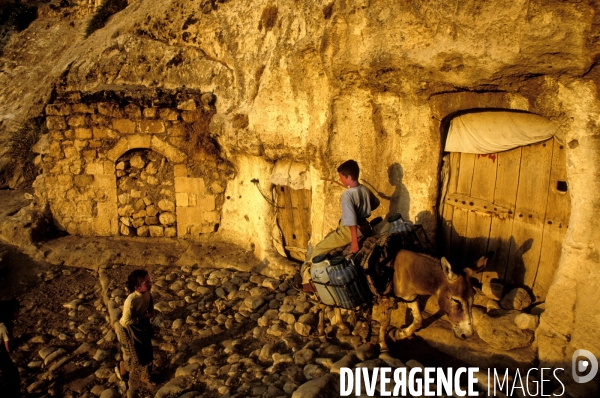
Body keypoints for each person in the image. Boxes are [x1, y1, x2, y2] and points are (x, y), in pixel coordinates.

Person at [301, 159, 380, 285]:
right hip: (365, 226)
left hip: (349, 231)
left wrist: (354, 242)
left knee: (319, 248)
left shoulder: (347, 195)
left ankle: (308, 282)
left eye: (341, 177)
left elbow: (351, 220)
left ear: (348, 177)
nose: (339, 179)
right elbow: (376, 203)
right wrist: (363, 209)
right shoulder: (364, 189)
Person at [114, 269, 156, 386]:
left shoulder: (146, 292)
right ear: (137, 287)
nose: (150, 283)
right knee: (134, 355)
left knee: (147, 351)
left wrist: (151, 312)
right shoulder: (131, 300)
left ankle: (145, 376)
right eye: (146, 282)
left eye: (149, 280)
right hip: (127, 329)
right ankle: (123, 366)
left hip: (141, 325)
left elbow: (150, 299)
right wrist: (143, 317)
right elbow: (127, 321)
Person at [0, 299, 21, 397]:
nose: (18, 312)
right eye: (16, 310)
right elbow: (8, 348)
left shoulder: (2, 324)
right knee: (12, 376)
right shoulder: (5, 327)